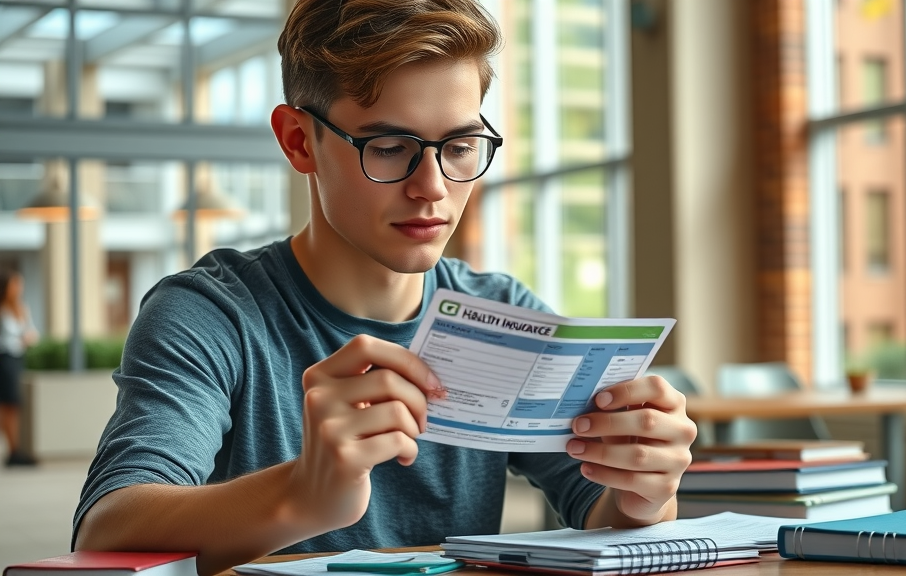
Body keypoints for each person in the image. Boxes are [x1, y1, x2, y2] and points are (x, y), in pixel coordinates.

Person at [73, 1, 697, 574]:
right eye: (391, 146)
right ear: (298, 140)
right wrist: (304, 494)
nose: (432, 186)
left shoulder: (502, 310)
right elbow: (107, 529)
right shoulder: (210, 313)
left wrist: (643, 493)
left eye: (459, 146)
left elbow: (601, 512)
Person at [0, 268, 39, 467]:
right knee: (9, 404)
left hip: (17, 359)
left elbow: (32, 333)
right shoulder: (2, 309)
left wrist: (26, 338)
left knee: (13, 404)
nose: (19, 288)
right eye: (15, 284)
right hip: (4, 359)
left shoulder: (21, 308)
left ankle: (15, 449)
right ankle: (13, 450)